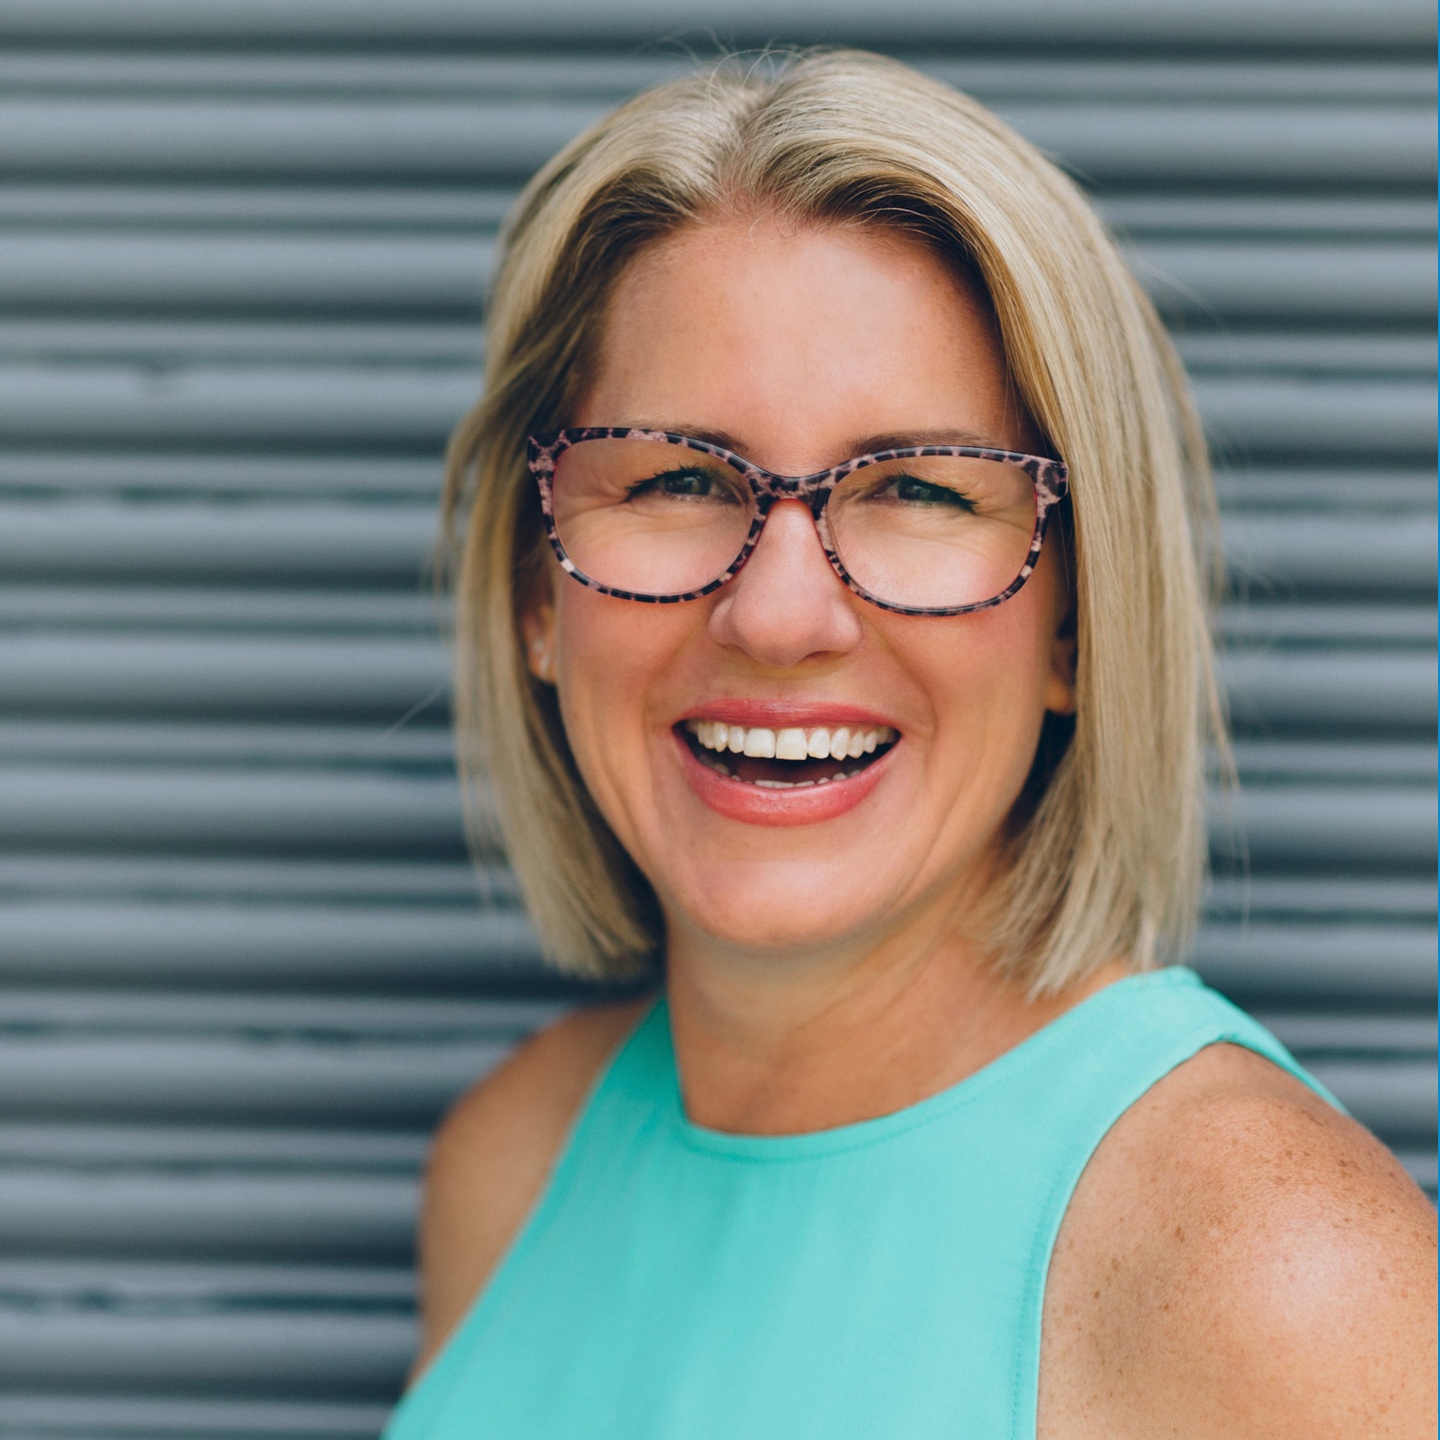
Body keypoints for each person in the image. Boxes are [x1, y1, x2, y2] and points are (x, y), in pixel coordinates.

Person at [383, 50, 1436, 1440]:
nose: (777, 617)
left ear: (1075, 627)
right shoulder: (513, 1165)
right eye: (679, 477)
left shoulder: (1276, 1275)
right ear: (538, 591)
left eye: (922, 491)